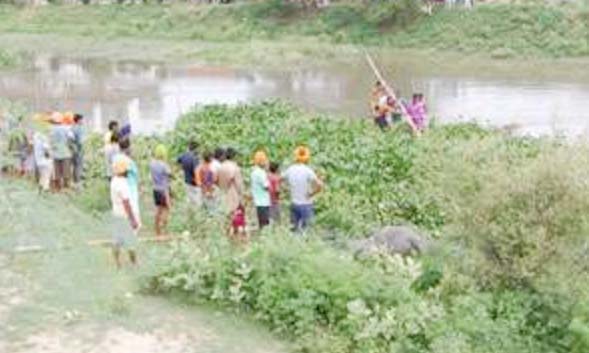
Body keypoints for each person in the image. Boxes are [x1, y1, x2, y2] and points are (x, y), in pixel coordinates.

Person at [282, 146, 323, 232]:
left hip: (294, 203)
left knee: (294, 229)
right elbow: (320, 185)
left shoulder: (290, 169)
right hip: (306, 204)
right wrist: (312, 193)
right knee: (307, 230)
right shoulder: (308, 170)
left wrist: (286, 190)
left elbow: (279, 180)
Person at [110, 156, 140, 269]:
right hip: (124, 215)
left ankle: (117, 263)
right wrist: (132, 219)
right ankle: (134, 263)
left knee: (117, 240)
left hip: (116, 213)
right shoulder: (123, 185)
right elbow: (126, 203)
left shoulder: (114, 181)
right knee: (131, 242)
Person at [150, 144, 172, 237]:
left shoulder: (152, 163)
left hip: (155, 189)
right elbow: (170, 174)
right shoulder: (164, 165)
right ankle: (165, 230)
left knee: (158, 210)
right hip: (164, 189)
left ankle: (157, 231)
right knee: (166, 209)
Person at [117, 139, 140, 226]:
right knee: (132, 211)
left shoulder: (116, 158)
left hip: (121, 188)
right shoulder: (128, 161)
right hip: (130, 188)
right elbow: (134, 174)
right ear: (128, 147)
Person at [49, 112, 73, 190]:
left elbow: (48, 141)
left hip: (55, 154)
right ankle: (66, 188)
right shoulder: (65, 128)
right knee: (66, 173)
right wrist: (68, 145)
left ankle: (58, 189)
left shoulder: (50, 129)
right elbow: (71, 138)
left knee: (57, 173)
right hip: (65, 153)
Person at [217, 147, 244, 215]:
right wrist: (241, 196)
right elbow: (239, 185)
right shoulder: (235, 168)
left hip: (222, 193)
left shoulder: (221, 166)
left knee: (225, 214)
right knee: (234, 215)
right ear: (234, 156)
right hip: (233, 194)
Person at [250, 151, 271, 229]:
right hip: (263, 202)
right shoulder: (261, 173)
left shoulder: (254, 172)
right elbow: (267, 186)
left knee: (260, 224)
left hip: (257, 201)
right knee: (265, 225)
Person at [177, 141, 200, 206]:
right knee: (196, 202)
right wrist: (198, 182)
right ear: (196, 148)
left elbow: (178, 161)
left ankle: (189, 214)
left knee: (189, 201)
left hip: (187, 181)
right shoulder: (195, 158)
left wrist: (181, 168)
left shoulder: (183, 155)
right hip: (194, 182)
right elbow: (196, 171)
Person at [32, 129, 52, 193]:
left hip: (38, 161)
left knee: (42, 175)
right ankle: (46, 189)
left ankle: (40, 188)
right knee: (47, 175)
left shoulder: (35, 141)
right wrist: (50, 154)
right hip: (45, 161)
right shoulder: (43, 140)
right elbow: (46, 149)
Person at [71, 113, 85, 185]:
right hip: (78, 149)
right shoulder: (79, 128)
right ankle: (78, 181)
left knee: (74, 166)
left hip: (73, 149)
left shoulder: (72, 127)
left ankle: (74, 180)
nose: (83, 121)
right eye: (82, 119)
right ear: (79, 120)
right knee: (79, 165)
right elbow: (80, 141)